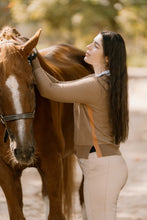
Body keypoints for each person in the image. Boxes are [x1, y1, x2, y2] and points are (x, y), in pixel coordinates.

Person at [32, 31, 129, 220]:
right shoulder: (101, 81)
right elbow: (57, 83)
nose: (88, 47)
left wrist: (35, 60)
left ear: (107, 58)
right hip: (103, 166)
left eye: (96, 46)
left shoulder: (95, 86)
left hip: (103, 167)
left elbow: (49, 90)